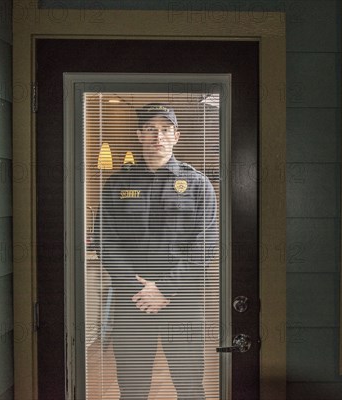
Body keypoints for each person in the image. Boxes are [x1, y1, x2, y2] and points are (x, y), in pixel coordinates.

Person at [96, 103, 218, 399]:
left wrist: (165, 287)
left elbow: (206, 243)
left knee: (190, 388)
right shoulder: (119, 183)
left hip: (182, 301)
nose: (158, 136)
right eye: (150, 129)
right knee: (132, 389)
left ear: (177, 136)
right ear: (139, 135)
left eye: (165, 129)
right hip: (133, 301)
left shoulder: (198, 184)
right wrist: (138, 289)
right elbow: (103, 239)